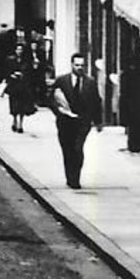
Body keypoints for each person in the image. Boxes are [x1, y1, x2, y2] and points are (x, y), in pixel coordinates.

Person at [49, 53, 104, 188]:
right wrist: (59, 113)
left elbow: (96, 102)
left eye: (82, 65)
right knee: (67, 149)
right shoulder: (62, 81)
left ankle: (76, 178)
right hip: (65, 122)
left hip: (82, 122)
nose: (79, 68)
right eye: (77, 65)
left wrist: (98, 122)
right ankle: (70, 176)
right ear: (72, 65)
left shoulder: (90, 82)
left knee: (77, 148)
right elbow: (51, 99)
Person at [5, 43, 39, 134]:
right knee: (14, 105)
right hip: (13, 85)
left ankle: (20, 124)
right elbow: (6, 72)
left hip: (23, 86)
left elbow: (30, 73)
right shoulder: (10, 60)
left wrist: (23, 76)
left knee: (22, 106)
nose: (19, 51)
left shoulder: (26, 61)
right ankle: (14, 120)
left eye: (21, 50)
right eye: (18, 49)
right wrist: (12, 75)